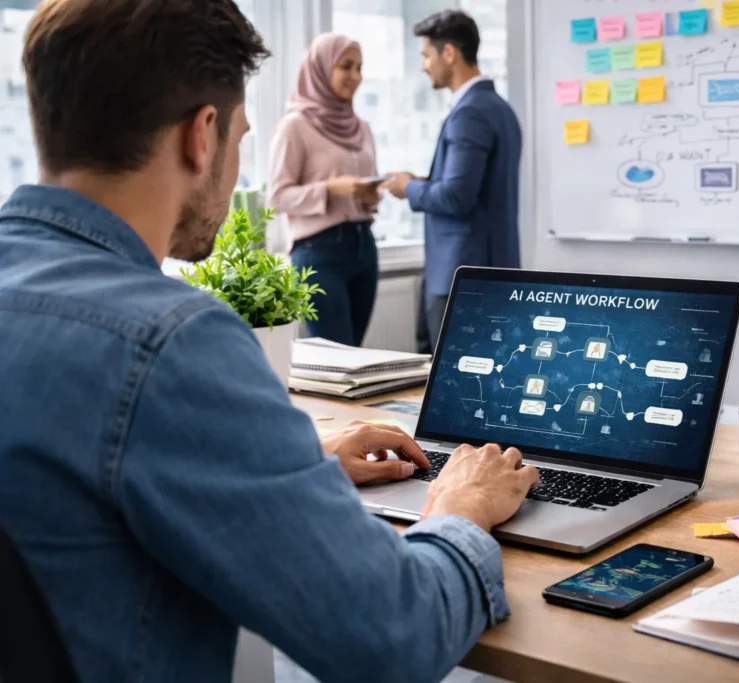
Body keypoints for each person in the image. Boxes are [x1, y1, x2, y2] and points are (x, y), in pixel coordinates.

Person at [0, 2, 538, 683]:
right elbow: (395, 634)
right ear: (202, 136)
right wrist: (460, 506)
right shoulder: (171, 343)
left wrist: (289, 462)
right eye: (241, 135)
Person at [383, 10, 522, 353]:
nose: (423, 66)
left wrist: (408, 189)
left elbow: (457, 197)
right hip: (490, 268)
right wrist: (430, 181)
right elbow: (476, 185)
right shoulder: (499, 108)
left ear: (449, 53)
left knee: (446, 377)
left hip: (462, 273)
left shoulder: (470, 112)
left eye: (426, 55)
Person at [269, 34, 381, 346]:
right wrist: (330, 189)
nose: (355, 76)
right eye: (346, 66)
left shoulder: (362, 127)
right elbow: (277, 196)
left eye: (359, 67)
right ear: (320, 68)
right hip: (319, 253)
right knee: (337, 357)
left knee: (355, 357)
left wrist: (370, 196)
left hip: (364, 247)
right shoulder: (295, 126)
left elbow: (363, 189)